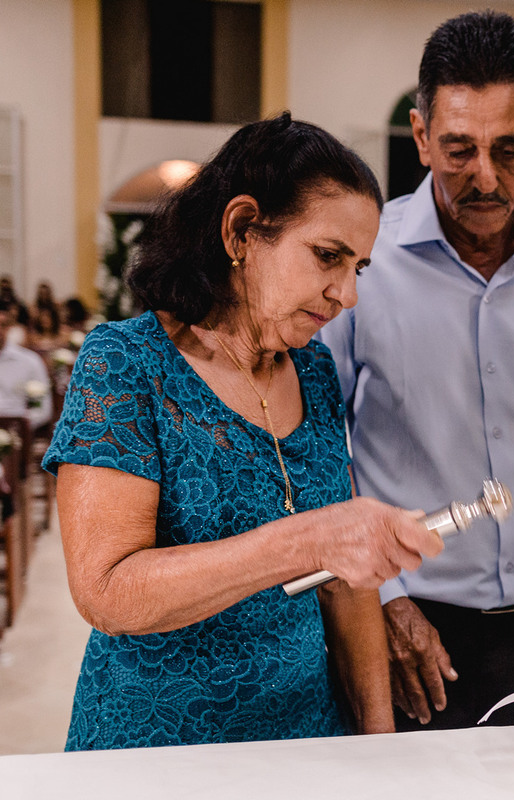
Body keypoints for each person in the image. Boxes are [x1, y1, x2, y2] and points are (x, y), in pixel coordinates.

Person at [42, 112, 445, 751]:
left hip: (303, 739)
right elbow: (108, 590)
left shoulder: (312, 370)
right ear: (241, 231)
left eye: (358, 268)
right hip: (157, 748)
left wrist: (379, 747)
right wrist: (306, 540)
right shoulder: (127, 362)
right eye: (327, 257)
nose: (346, 294)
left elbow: (345, 588)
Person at [319, 10, 514, 731]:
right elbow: (319, 453)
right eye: (459, 149)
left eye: (510, 148)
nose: (487, 177)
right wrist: (384, 599)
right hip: (412, 632)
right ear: (421, 134)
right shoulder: (362, 265)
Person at [0, 303, 52, 431]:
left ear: (9, 327)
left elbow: (42, 408)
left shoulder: (29, 361)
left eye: (2, 325)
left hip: (18, 432)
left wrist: (20, 426)